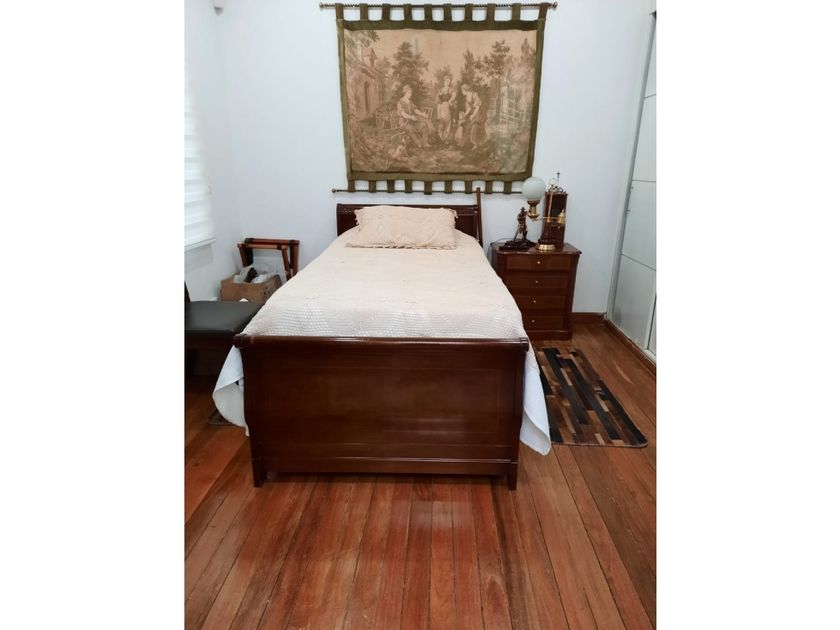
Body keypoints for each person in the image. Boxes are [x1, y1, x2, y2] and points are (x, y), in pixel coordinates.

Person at [396, 84, 432, 148]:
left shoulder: (410, 102)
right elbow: (402, 113)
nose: (411, 94)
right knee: (412, 129)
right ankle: (418, 143)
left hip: (412, 121)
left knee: (424, 125)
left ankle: (425, 142)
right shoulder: (400, 102)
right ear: (406, 93)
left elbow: (415, 110)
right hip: (404, 122)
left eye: (411, 93)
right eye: (409, 93)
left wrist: (422, 114)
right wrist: (410, 117)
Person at [455, 83, 485, 149]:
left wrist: (473, 115)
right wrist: (465, 115)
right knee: (463, 123)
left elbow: (477, 106)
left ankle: (475, 144)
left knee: (474, 126)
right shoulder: (466, 97)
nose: (462, 92)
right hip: (472, 113)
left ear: (465, 90)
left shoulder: (474, 94)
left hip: (478, 113)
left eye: (462, 90)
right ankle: (462, 142)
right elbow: (469, 108)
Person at [435, 76, 457, 143]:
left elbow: (454, 95)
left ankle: (446, 138)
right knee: (441, 121)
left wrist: (450, 100)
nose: (448, 82)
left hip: (447, 106)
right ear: (444, 81)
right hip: (441, 107)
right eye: (447, 81)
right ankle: (441, 138)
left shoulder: (451, 89)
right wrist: (438, 111)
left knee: (448, 122)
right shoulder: (440, 90)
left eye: (449, 81)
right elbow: (438, 100)